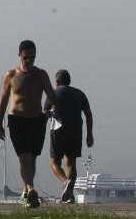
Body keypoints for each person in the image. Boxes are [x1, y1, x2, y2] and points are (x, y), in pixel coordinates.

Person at [0, 39, 57, 208]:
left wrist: (51, 112)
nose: (29, 61)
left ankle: (26, 191)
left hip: (37, 120)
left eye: (32, 57)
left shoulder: (41, 74)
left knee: (33, 157)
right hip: (17, 120)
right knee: (24, 157)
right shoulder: (11, 75)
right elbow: (3, 99)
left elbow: (51, 95)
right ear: (20, 55)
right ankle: (30, 188)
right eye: (26, 57)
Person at [47, 69, 93, 203]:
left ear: (56, 82)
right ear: (69, 81)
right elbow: (88, 114)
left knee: (54, 162)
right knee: (71, 163)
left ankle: (65, 182)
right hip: (76, 130)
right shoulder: (79, 94)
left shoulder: (53, 93)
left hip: (58, 129)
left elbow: (44, 111)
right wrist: (89, 134)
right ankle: (70, 195)